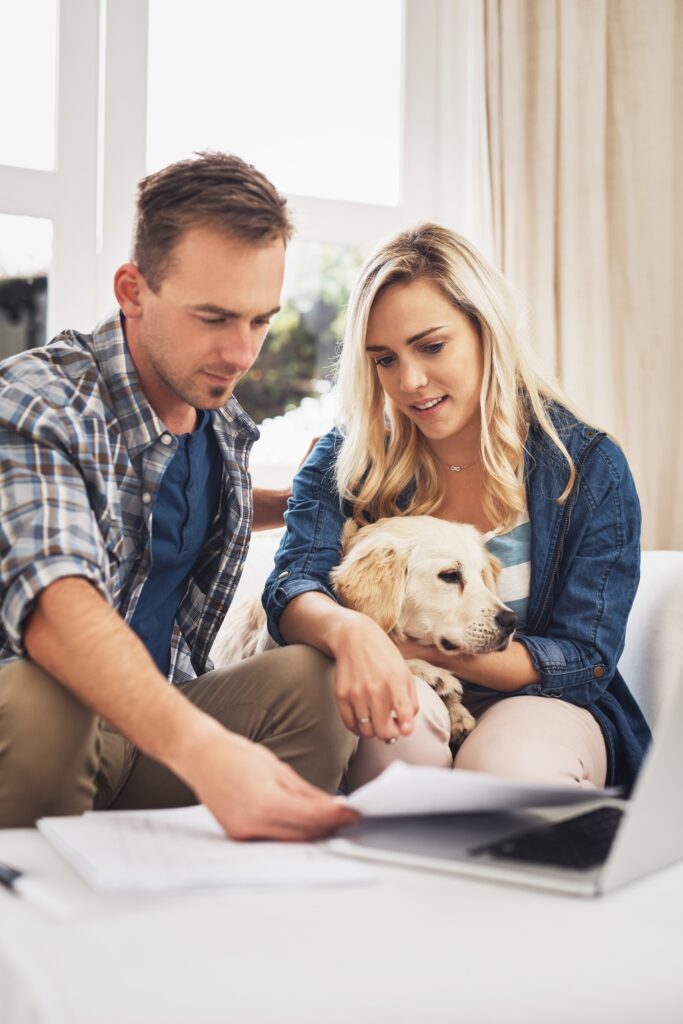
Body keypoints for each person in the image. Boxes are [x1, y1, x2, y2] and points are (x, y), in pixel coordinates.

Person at [0, 152, 358, 837]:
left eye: (259, 320)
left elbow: (161, 509)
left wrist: (295, 504)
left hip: (157, 721)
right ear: (132, 289)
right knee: (47, 697)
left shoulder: (217, 422)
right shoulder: (37, 401)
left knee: (314, 684)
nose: (240, 353)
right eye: (214, 317)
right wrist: (205, 751)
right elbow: (56, 597)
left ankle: (250, 899)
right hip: (36, 729)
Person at [263, 223, 651, 793]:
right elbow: (293, 585)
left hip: (539, 698)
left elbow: (585, 656)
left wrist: (414, 646)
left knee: (504, 770)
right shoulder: (348, 456)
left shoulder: (587, 468)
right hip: (399, 681)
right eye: (384, 359)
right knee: (402, 734)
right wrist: (357, 639)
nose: (410, 382)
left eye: (431, 346)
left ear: (484, 331)